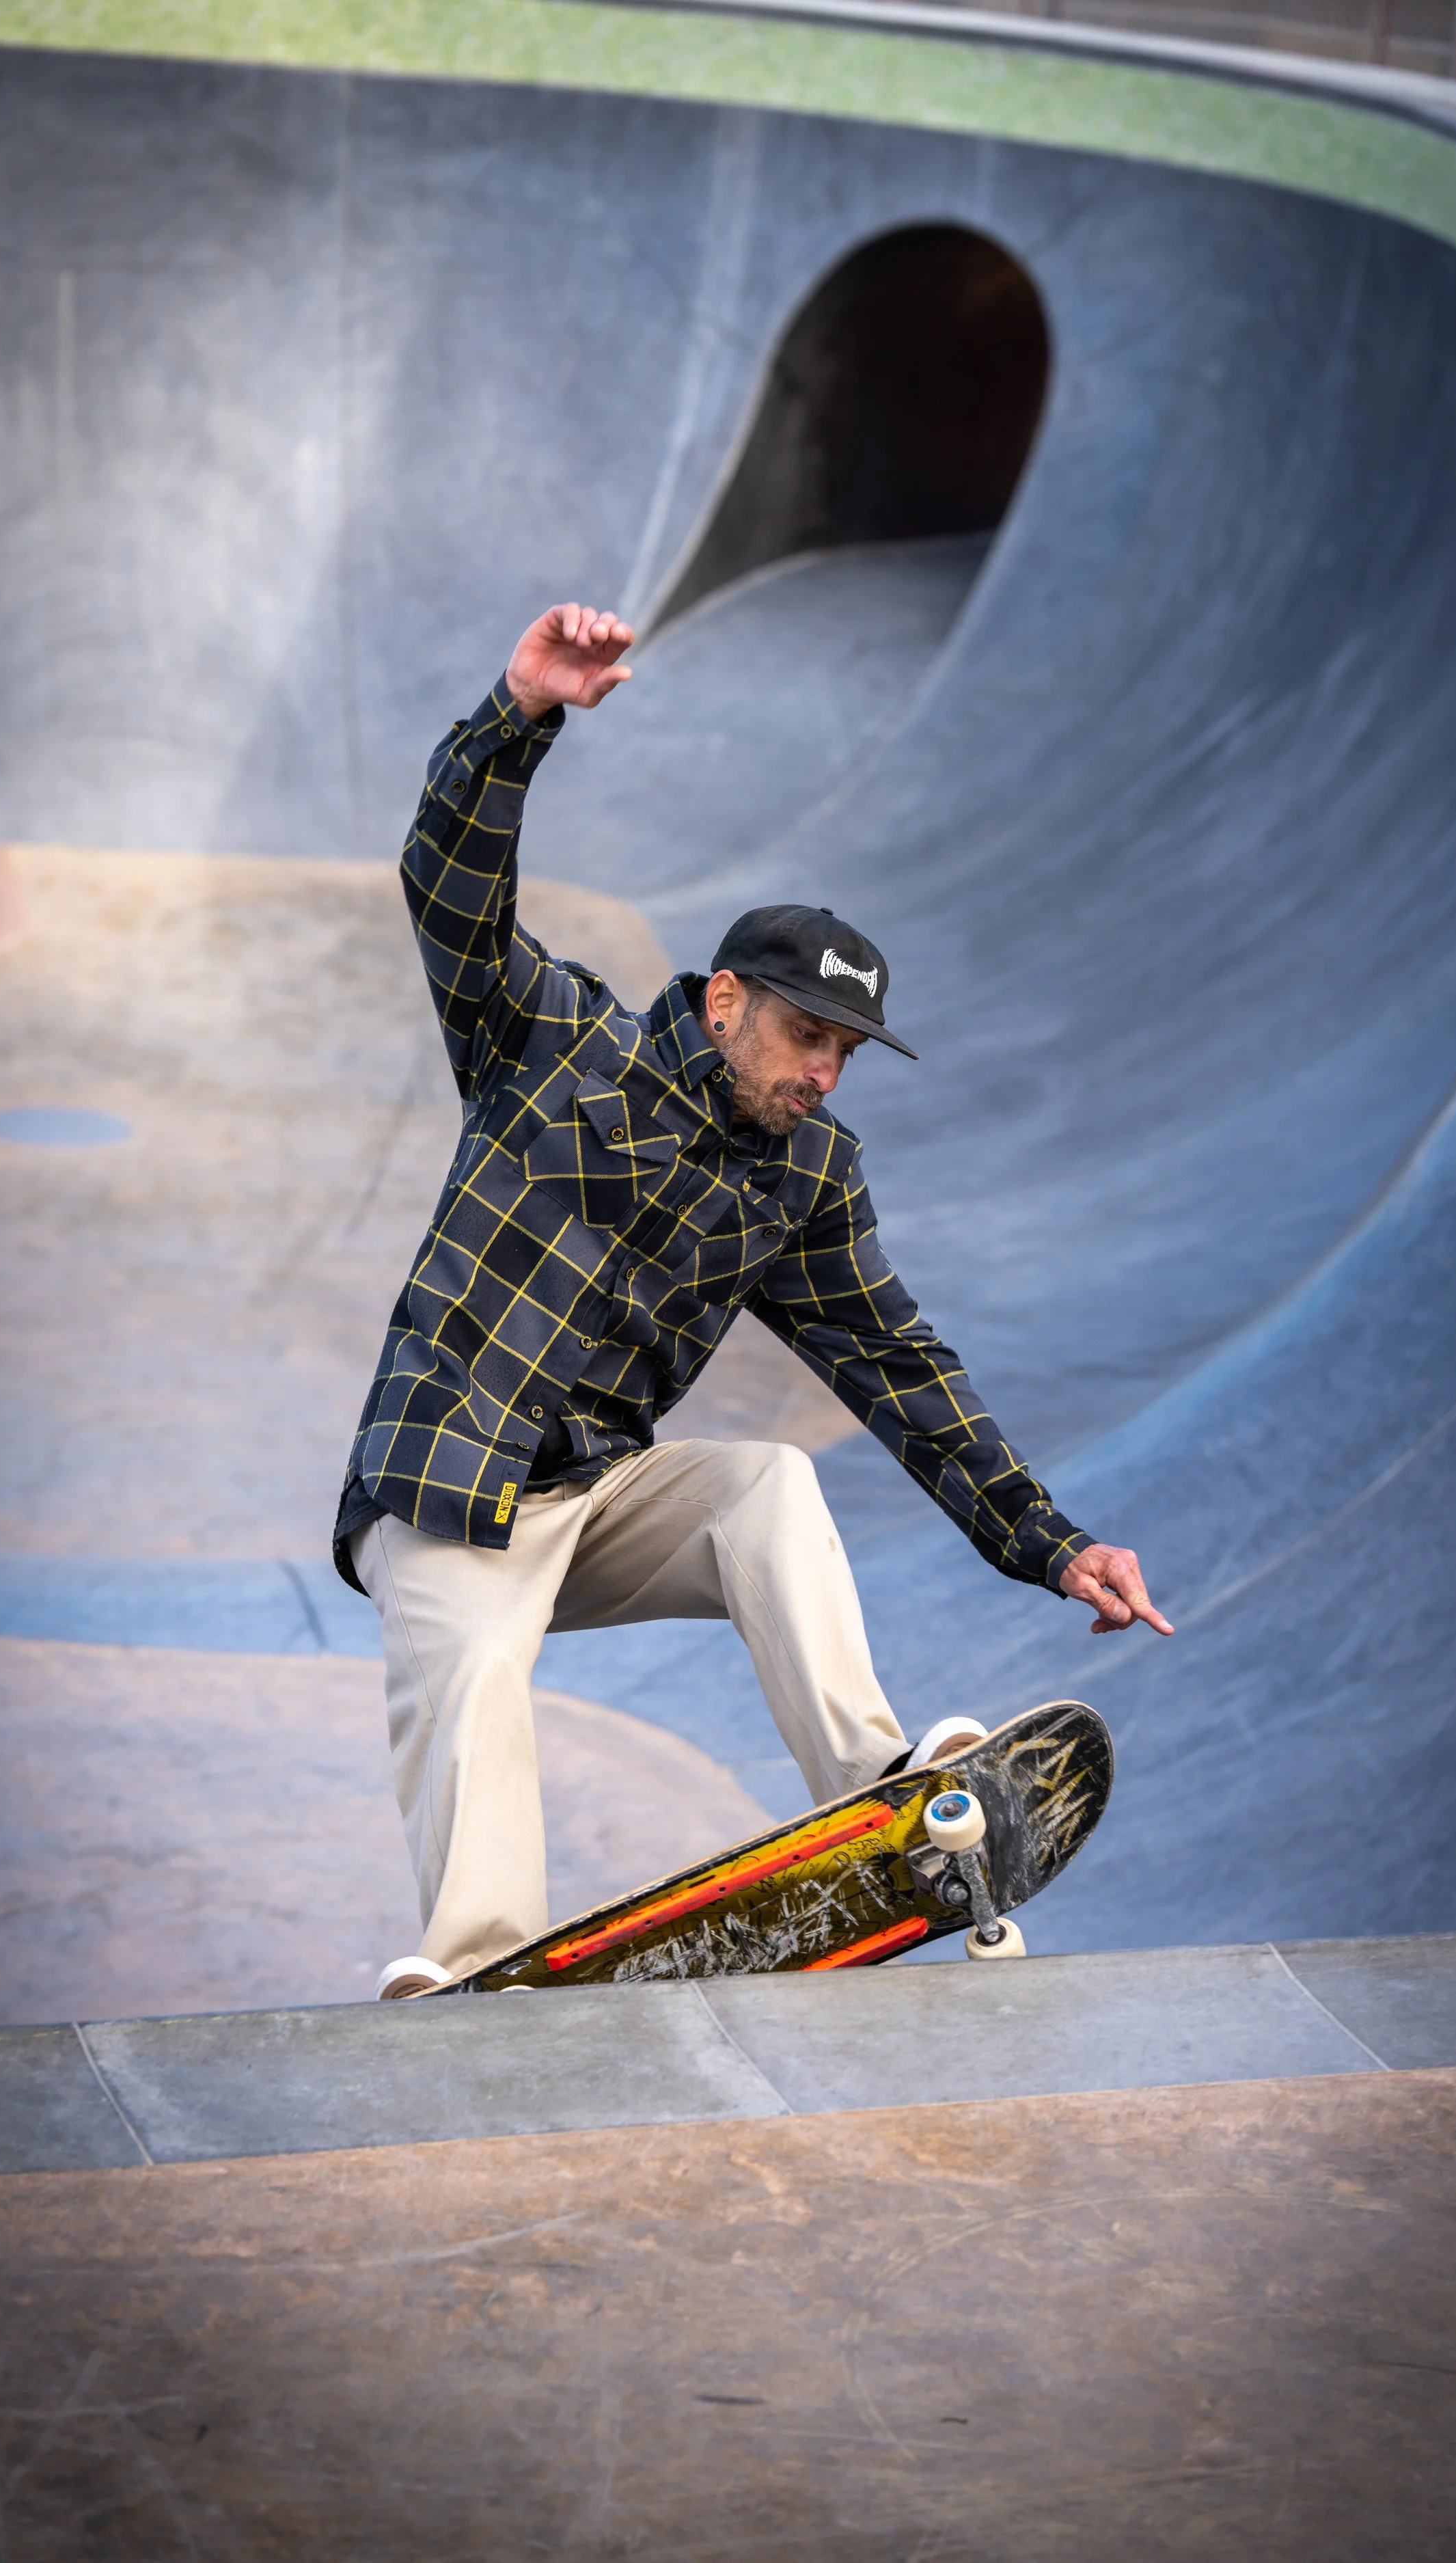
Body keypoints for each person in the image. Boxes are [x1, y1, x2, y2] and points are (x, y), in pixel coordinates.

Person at [336, 601, 1172, 1998]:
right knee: (475, 1675)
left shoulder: (803, 1179)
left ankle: (894, 1815)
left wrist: (1050, 1541)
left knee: (767, 1484)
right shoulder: (547, 1039)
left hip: (594, 1504)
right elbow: (447, 886)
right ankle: (479, 1962)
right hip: (442, 1492)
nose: (822, 1075)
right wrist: (518, 715)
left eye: (845, 1052)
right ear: (725, 1001)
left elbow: (901, 1371)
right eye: (804, 1038)